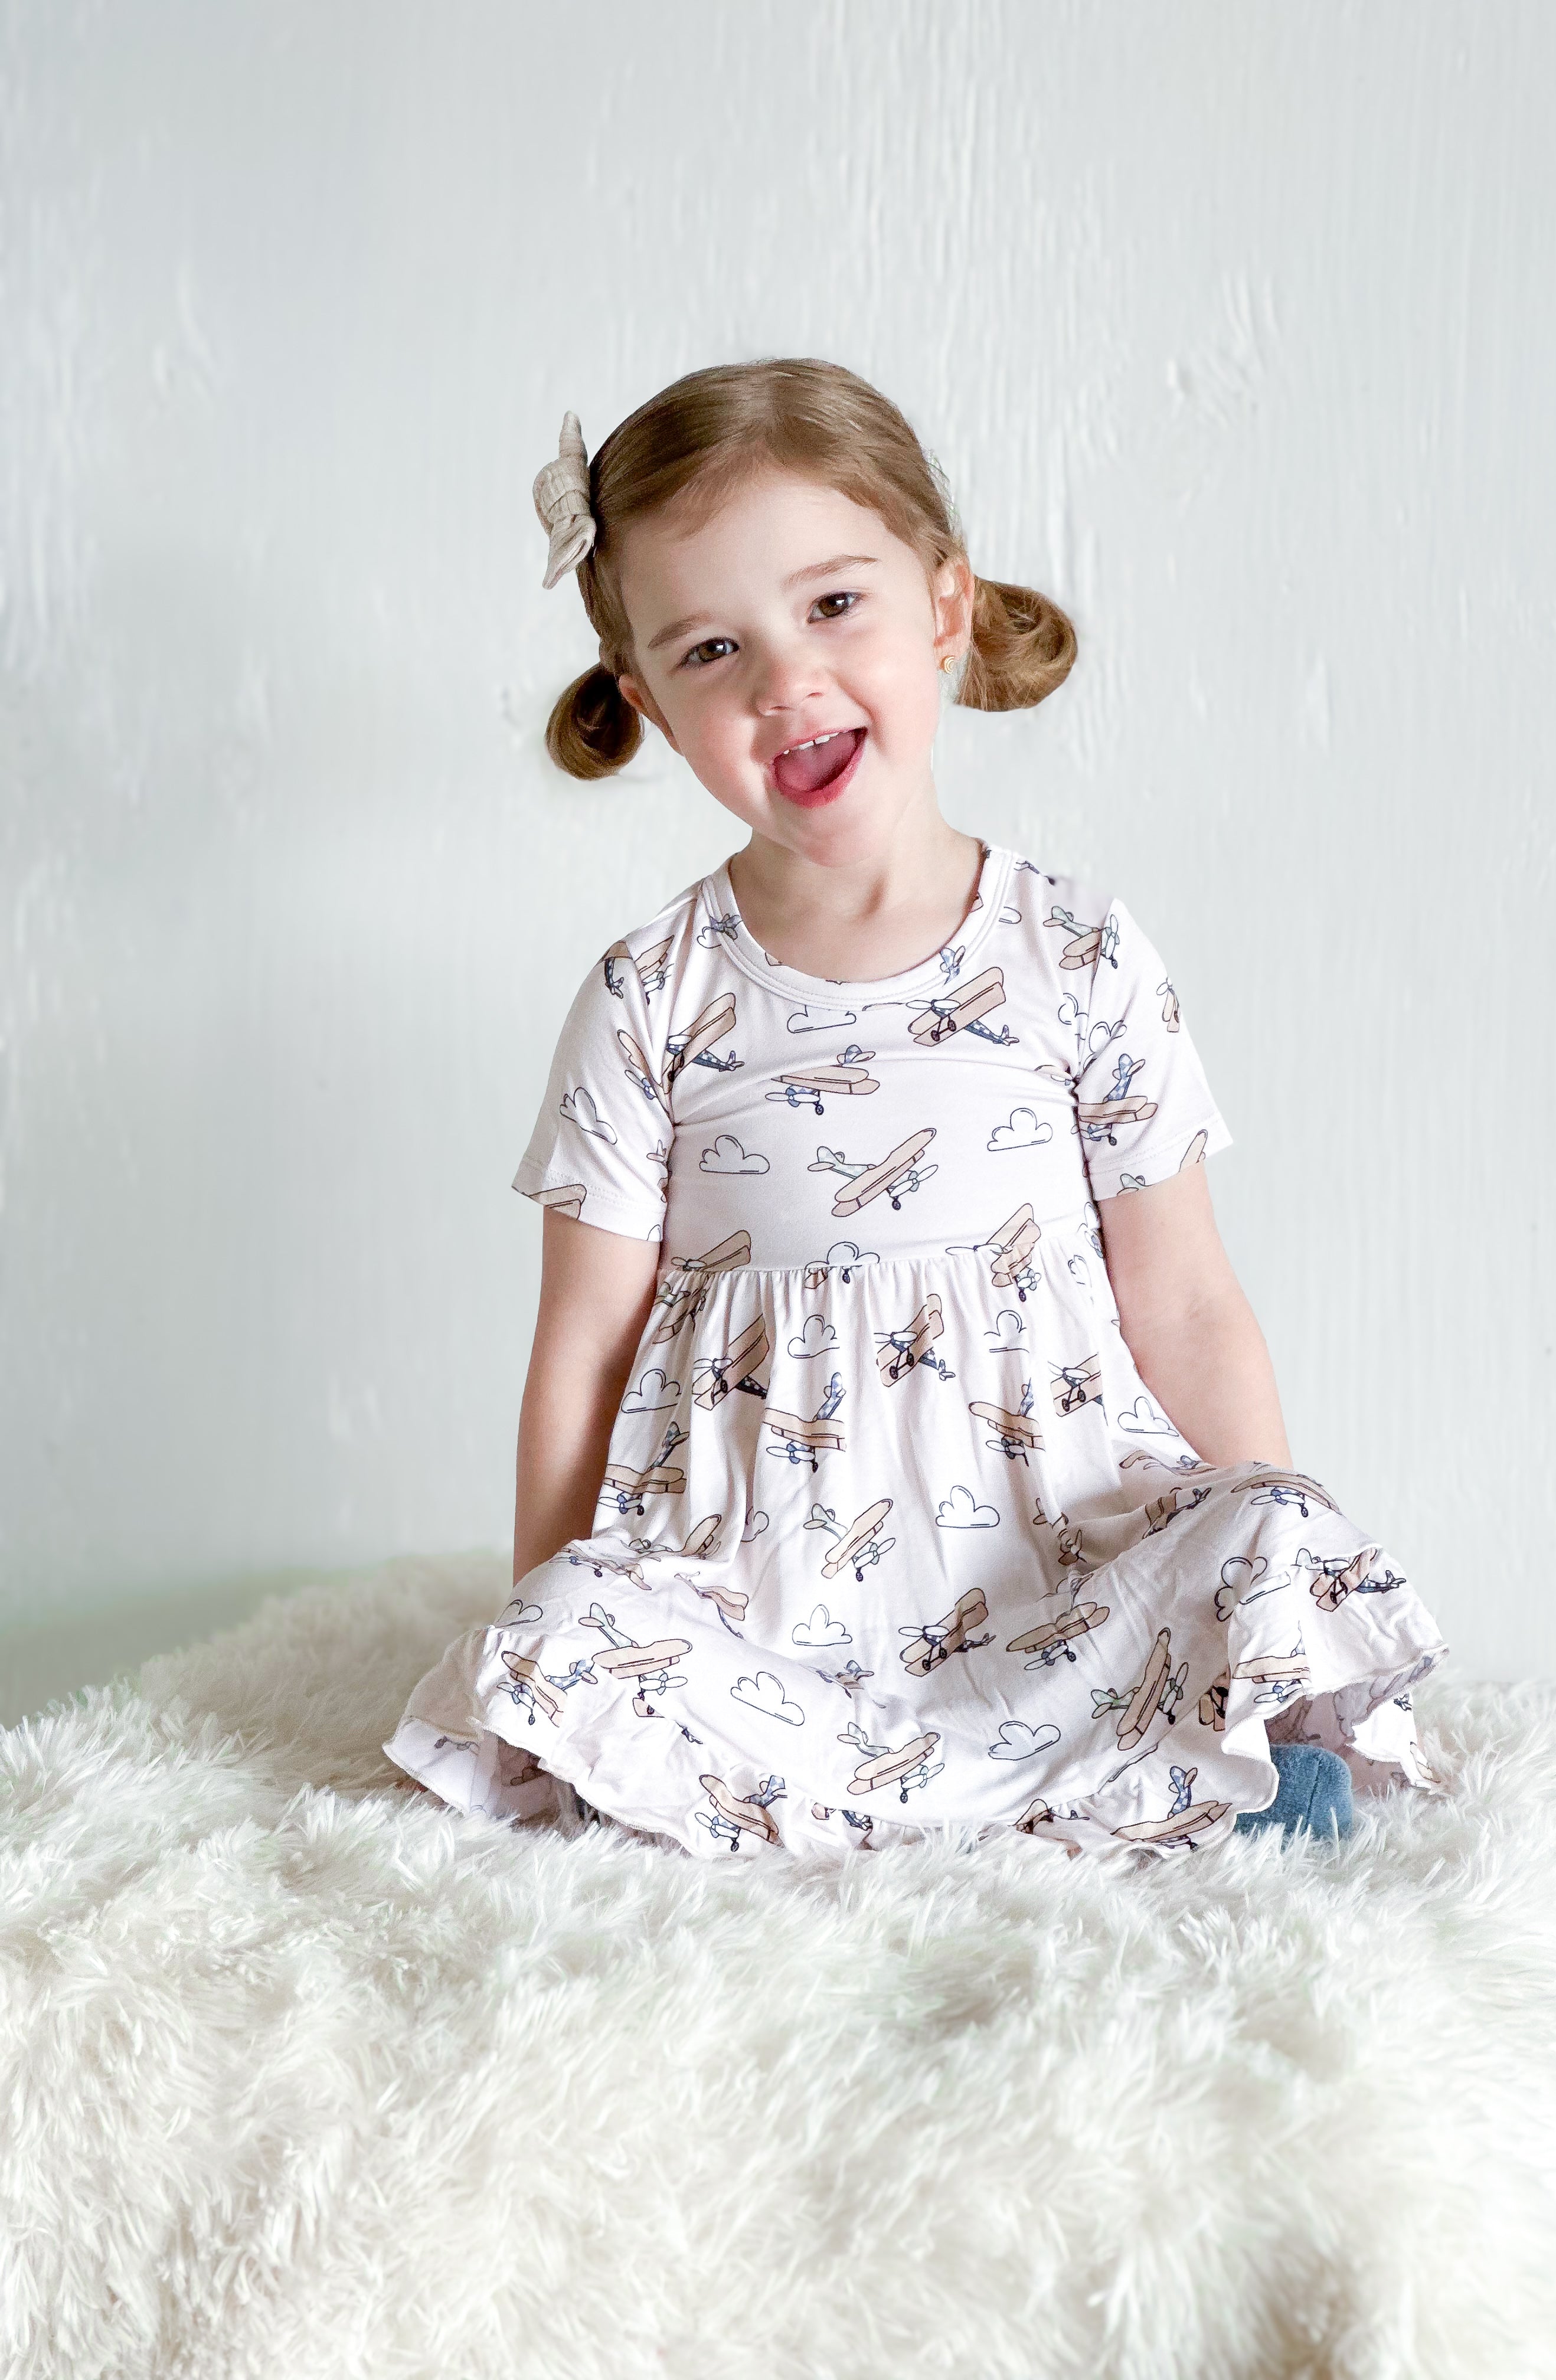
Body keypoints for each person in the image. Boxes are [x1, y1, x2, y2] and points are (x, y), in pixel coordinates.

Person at [382, 359, 1449, 1861]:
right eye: (711, 649)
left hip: (1054, 1585)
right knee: (570, 1629)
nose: (784, 681)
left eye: (833, 605)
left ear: (944, 607)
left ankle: (1198, 1767)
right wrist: (546, 1668)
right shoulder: (651, 996)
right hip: (768, 1618)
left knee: (1273, 1534)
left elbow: (1189, 1300)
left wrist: (1264, 1640)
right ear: (652, 707)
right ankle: (823, 1800)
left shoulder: (1075, 952)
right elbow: (583, 1351)